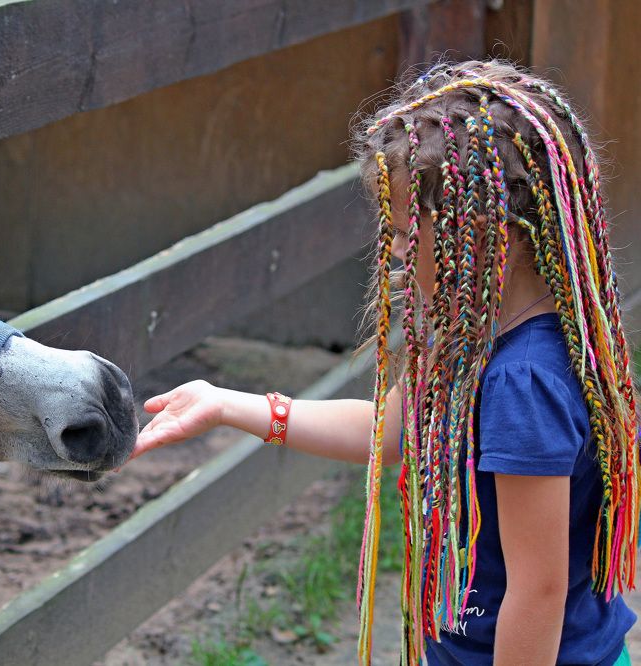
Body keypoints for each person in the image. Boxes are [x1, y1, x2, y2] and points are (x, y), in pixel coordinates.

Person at [130, 60, 639, 666]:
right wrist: (227, 405)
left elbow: (539, 591)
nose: (393, 250)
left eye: (405, 230)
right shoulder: (470, 341)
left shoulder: (522, 384)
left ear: (479, 230)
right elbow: (391, 428)